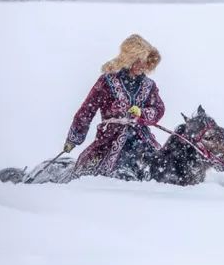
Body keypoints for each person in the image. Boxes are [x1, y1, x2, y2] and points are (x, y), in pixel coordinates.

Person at [62, 34, 165, 181]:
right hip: (110, 139)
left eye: (145, 61)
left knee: (160, 165)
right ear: (129, 59)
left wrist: (142, 112)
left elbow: (158, 108)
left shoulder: (149, 85)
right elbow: (87, 110)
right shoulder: (107, 81)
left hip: (142, 139)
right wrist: (73, 139)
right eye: (139, 61)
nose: (142, 65)